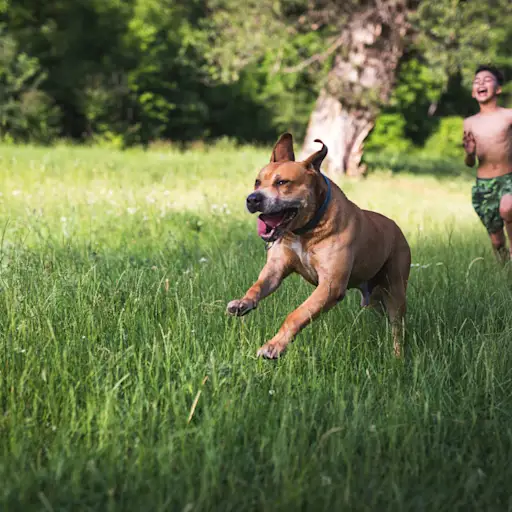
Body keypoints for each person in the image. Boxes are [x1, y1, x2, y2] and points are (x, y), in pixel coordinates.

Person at [463, 65, 512, 263]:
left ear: (498, 89)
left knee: (507, 209)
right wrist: (469, 153)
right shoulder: (470, 122)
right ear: (474, 93)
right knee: (497, 241)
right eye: (477, 81)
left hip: (508, 178)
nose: (481, 83)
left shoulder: (508, 116)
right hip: (484, 185)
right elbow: (469, 163)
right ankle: (505, 274)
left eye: (487, 80)